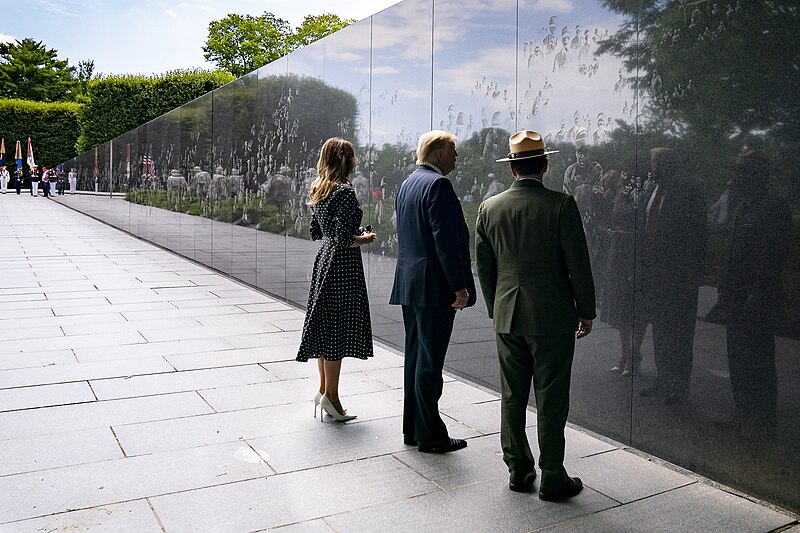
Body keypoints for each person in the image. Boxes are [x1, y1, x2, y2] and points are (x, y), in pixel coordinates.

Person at [476, 130, 595, 500]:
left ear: (513, 169)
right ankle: (553, 475)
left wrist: (497, 307)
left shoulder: (489, 208)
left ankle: (518, 468)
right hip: (552, 315)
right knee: (551, 396)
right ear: (544, 165)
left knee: (512, 394)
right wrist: (585, 310)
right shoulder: (561, 205)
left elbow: (485, 267)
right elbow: (579, 264)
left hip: (507, 314)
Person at [390, 130, 476, 453]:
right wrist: (460, 286)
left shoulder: (408, 184)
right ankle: (431, 434)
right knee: (430, 362)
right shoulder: (438, 185)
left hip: (410, 284)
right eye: (452, 150)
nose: (456, 156)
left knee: (415, 358)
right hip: (434, 288)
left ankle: (413, 428)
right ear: (438, 153)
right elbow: (445, 242)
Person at [706, 150, 791, 432]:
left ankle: (763, 421)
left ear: (756, 175)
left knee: (760, 361)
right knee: (738, 359)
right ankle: (742, 415)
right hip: (735, 295)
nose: (736, 177)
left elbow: (773, 257)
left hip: (756, 297)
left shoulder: (773, 207)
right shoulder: (744, 205)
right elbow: (733, 251)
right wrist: (723, 288)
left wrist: (757, 294)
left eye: (742, 171)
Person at [296, 137, 376, 422]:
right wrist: (364, 238)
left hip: (325, 261)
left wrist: (339, 234)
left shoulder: (319, 188)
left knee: (326, 326)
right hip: (342, 266)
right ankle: (332, 397)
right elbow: (345, 239)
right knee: (337, 331)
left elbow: (317, 232)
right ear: (349, 160)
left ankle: (323, 390)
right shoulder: (344, 192)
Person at [638, 147, 707, 405]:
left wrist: (693, 272)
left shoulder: (688, 194)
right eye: (652, 161)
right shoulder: (650, 192)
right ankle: (663, 378)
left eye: (656, 162)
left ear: (669, 165)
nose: (652, 167)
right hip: (653, 273)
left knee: (679, 332)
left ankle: (679, 386)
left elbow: (699, 235)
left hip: (678, 275)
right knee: (659, 328)